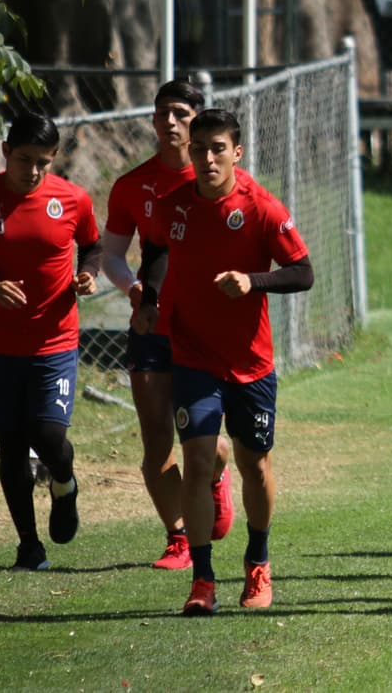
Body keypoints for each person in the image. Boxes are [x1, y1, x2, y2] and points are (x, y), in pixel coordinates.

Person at [134, 108, 314, 615]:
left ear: (237, 152)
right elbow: (155, 250)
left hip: (251, 362)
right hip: (193, 357)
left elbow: (302, 272)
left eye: (218, 149)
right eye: (199, 149)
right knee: (194, 460)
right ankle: (203, 580)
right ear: (189, 152)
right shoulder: (173, 205)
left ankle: (258, 563)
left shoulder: (260, 208)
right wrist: (149, 298)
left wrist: (252, 281)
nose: (207, 158)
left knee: (254, 464)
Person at [0, 112, 102, 571]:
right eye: (25, 159)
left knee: (49, 436)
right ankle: (29, 547)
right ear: (5, 153)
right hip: (0, 347)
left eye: (44, 162)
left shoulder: (72, 200)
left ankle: (65, 483)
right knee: (11, 447)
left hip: (55, 342)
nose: (33, 171)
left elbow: (92, 246)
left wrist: (88, 273)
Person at [102, 80, 235, 571]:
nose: (170, 122)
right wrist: (132, 289)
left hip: (205, 330)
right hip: (151, 326)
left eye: (180, 113)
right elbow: (113, 254)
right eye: (162, 113)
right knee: (156, 439)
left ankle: (215, 476)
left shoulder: (218, 182)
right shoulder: (133, 185)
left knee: (207, 441)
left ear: (198, 119)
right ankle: (177, 536)